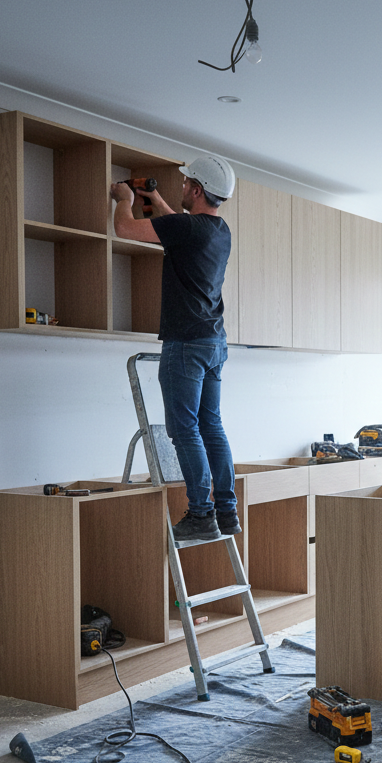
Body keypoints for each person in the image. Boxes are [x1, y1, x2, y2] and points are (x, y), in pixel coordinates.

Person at [110, 155, 239, 544]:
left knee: (184, 431)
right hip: (214, 342)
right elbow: (174, 226)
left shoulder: (186, 228)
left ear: (197, 190)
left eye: (186, 184)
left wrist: (122, 198)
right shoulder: (217, 230)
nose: (181, 188)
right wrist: (155, 196)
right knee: (210, 426)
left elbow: (124, 228)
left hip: (185, 344)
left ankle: (200, 513)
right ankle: (225, 510)